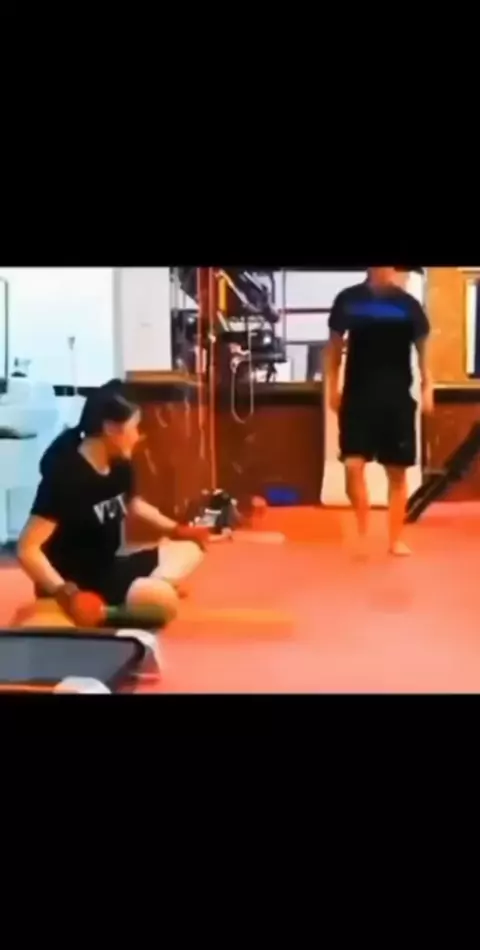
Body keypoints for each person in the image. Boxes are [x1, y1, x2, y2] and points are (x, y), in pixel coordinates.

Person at [16, 380, 209, 624]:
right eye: (134, 427)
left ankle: (134, 598)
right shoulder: (67, 475)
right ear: (110, 428)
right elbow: (27, 548)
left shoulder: (120, 464)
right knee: (162, 601)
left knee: (189, 549)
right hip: (73, 583)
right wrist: (68, 594)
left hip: (109, 569)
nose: (138, 436)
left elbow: (133, 505)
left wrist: (176, 529)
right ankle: (115, 606)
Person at [325, 267, 433, 556]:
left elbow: (423, 349)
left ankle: (395, 539)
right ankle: (362, 530)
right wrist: (331, 386)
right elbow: (334, 348)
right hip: (357, 396)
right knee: (352, 466)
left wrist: (428, 386)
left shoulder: (408, 305)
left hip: (396, 398)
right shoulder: (348, 300)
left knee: (397, 473)